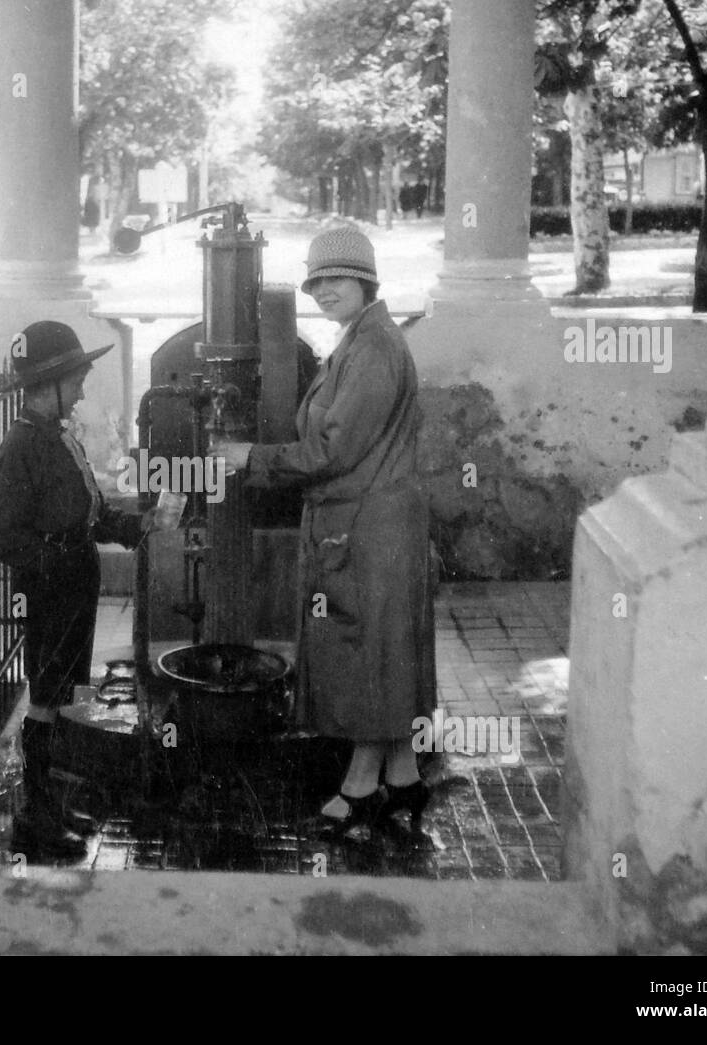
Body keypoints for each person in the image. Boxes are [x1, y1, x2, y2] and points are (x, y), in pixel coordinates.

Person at [215, 225, 437, 839]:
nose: (321, 291)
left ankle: (359, 787)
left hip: (371, 529)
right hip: (362, 524)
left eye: (335, 279)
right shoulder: (358, 340)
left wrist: (250, 458)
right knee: (382, 654)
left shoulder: (372, 349)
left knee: (368, 655)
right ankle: (404, 779)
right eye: (315, 281)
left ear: (365, 280)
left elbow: (334, 449)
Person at [0, 321, 155, 859]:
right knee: (44, 701)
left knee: (59, 698)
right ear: (49, 383)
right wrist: (56, 563)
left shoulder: (55, 433)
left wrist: (130, 528)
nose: (84, 387)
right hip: (50, 589)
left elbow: (86, 511)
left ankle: (52, 807)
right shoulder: (23, 446)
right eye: (78, 377)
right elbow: (6, 534)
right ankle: (36, 821)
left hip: (72, 580)